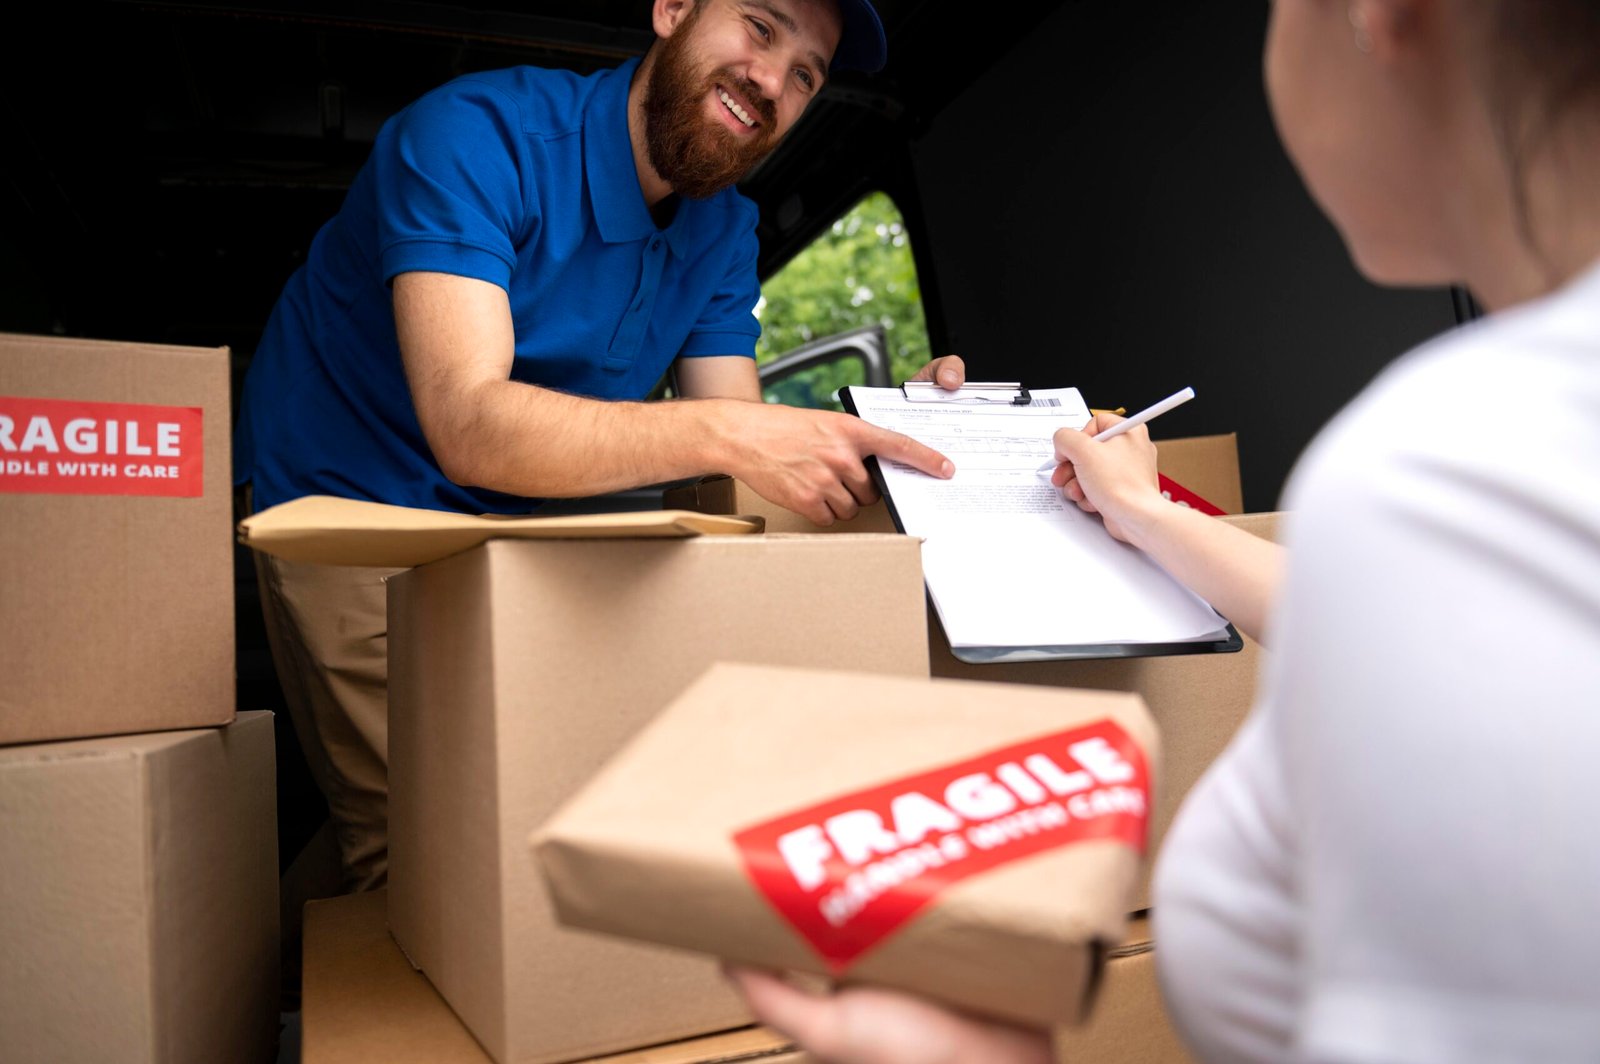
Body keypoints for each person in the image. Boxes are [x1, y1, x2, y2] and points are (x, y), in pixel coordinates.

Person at [729, 0, 1600, 1060]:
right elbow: (1366, 626)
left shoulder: (1439, 475)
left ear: (1381, 17)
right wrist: (1139, 511)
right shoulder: (1503, 474)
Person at [236, 0, 965, 895]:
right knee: (423, 850)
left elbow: (738, 454)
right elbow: (470, 423)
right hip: (345, 500)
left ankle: (305, 942)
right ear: (673, 10)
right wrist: (729, 434)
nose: (773, 81)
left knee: (528, 814)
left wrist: (908, 439)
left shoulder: (725, 228)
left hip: (519, 519)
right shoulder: (474, 136)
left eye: (808, 73)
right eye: (761, 27)